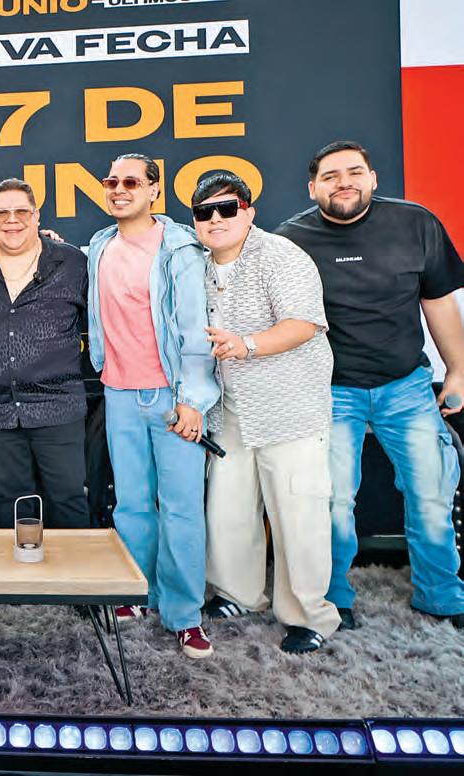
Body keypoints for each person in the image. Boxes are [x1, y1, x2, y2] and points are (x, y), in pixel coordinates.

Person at [276, 140, 464, 631]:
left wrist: (458, 369)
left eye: (354, 172)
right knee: (333, 501)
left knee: (430, 493)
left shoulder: (415, 223)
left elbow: (438, 301)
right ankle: (333, 598)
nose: (344, 183)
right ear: (312, 188)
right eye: (331, 176)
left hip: (406, 386)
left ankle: (442, 597)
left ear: (373, 179)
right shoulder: (289, 241)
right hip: (331, 391)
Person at [191, 171, 341, 654]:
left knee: (298, 513)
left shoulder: (281, 255)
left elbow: (304, 323)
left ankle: (310, 616)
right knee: (228, 507)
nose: (215, 219)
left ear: (248, 212)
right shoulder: (197, 265)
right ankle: (238, 594)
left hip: (288, 405)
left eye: (226, 208)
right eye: (204, 212)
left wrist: (248, 344)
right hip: (230, 409)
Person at [86, 153, 219, 658]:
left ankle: (184, 615)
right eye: (112, 181)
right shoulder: (101, 244)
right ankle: (137, 594)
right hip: (118, 393)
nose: (119, 189)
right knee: (132, 504)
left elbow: (194, 333)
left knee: (181, 509)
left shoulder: (179, 248)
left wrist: (192, 400)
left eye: (131, 182)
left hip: (171, 397)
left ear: (153, 191)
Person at [0, 178, 89, 527]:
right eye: (2, 213)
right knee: (13, 507)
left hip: (58, 405)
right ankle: (22, 566)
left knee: (68, 501)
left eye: (21, 211)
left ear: (37, 217)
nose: (12, 220)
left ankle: (75, 567)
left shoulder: (72, 262)